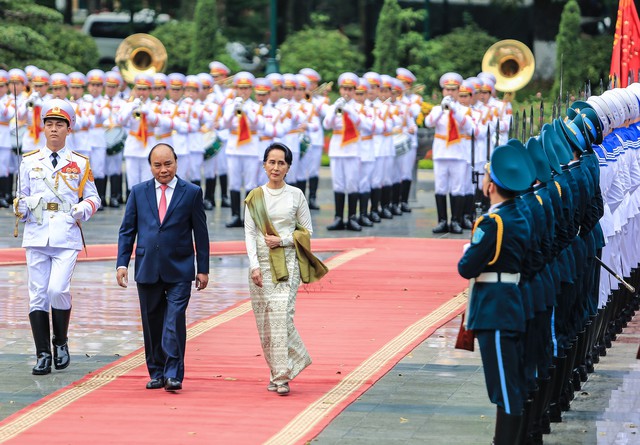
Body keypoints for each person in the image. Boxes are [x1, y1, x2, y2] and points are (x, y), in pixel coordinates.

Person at [13, 99, 101, 375]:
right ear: (43, 128)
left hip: (65, 232)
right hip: (37, 233)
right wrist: (21, 205)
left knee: (57, 289)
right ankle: (42, 354)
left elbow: (93, 197)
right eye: (49, 124)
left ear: (68, 128)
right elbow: (20, 198)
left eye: (59, 125)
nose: (53, 129)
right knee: (37, 295)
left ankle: (60, 341)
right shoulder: (29, 161)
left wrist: (82, 209)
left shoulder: (79, 162)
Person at [116, 143, 210, 391]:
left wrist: (203, 268)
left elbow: (201, 233)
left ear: (176, 162)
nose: (163, 170)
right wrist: (122, 263)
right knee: (152, 322)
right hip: (147, 267)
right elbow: (127, 231)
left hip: (180, 268)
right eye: (157, 165)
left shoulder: (191, 192)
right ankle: (156, 371)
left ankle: (173, 373)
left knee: (174, 320)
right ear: (150, 166)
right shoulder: (138, 192)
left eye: (168, 164)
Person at [457, 143, 535, 445]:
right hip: (508, 302)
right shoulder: (518, 214)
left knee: (504, 385)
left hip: (496, 308)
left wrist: (469, 251)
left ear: (491, 187)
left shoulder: (495, 223)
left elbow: (467, 267)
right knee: (508, 384)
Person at [244, 143, 327, 396]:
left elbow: (307, 232)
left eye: (281, 163)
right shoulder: (255, 196)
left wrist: (282, 241)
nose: (276, 167)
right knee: (267, 322)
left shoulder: (296, 195)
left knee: (282, 316)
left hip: (287, 263)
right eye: (272, 162)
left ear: (288, 167)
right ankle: (277, 370)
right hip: (260, 265)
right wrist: (254, 266)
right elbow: (249, 233)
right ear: (264, 165)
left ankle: (282, 377)